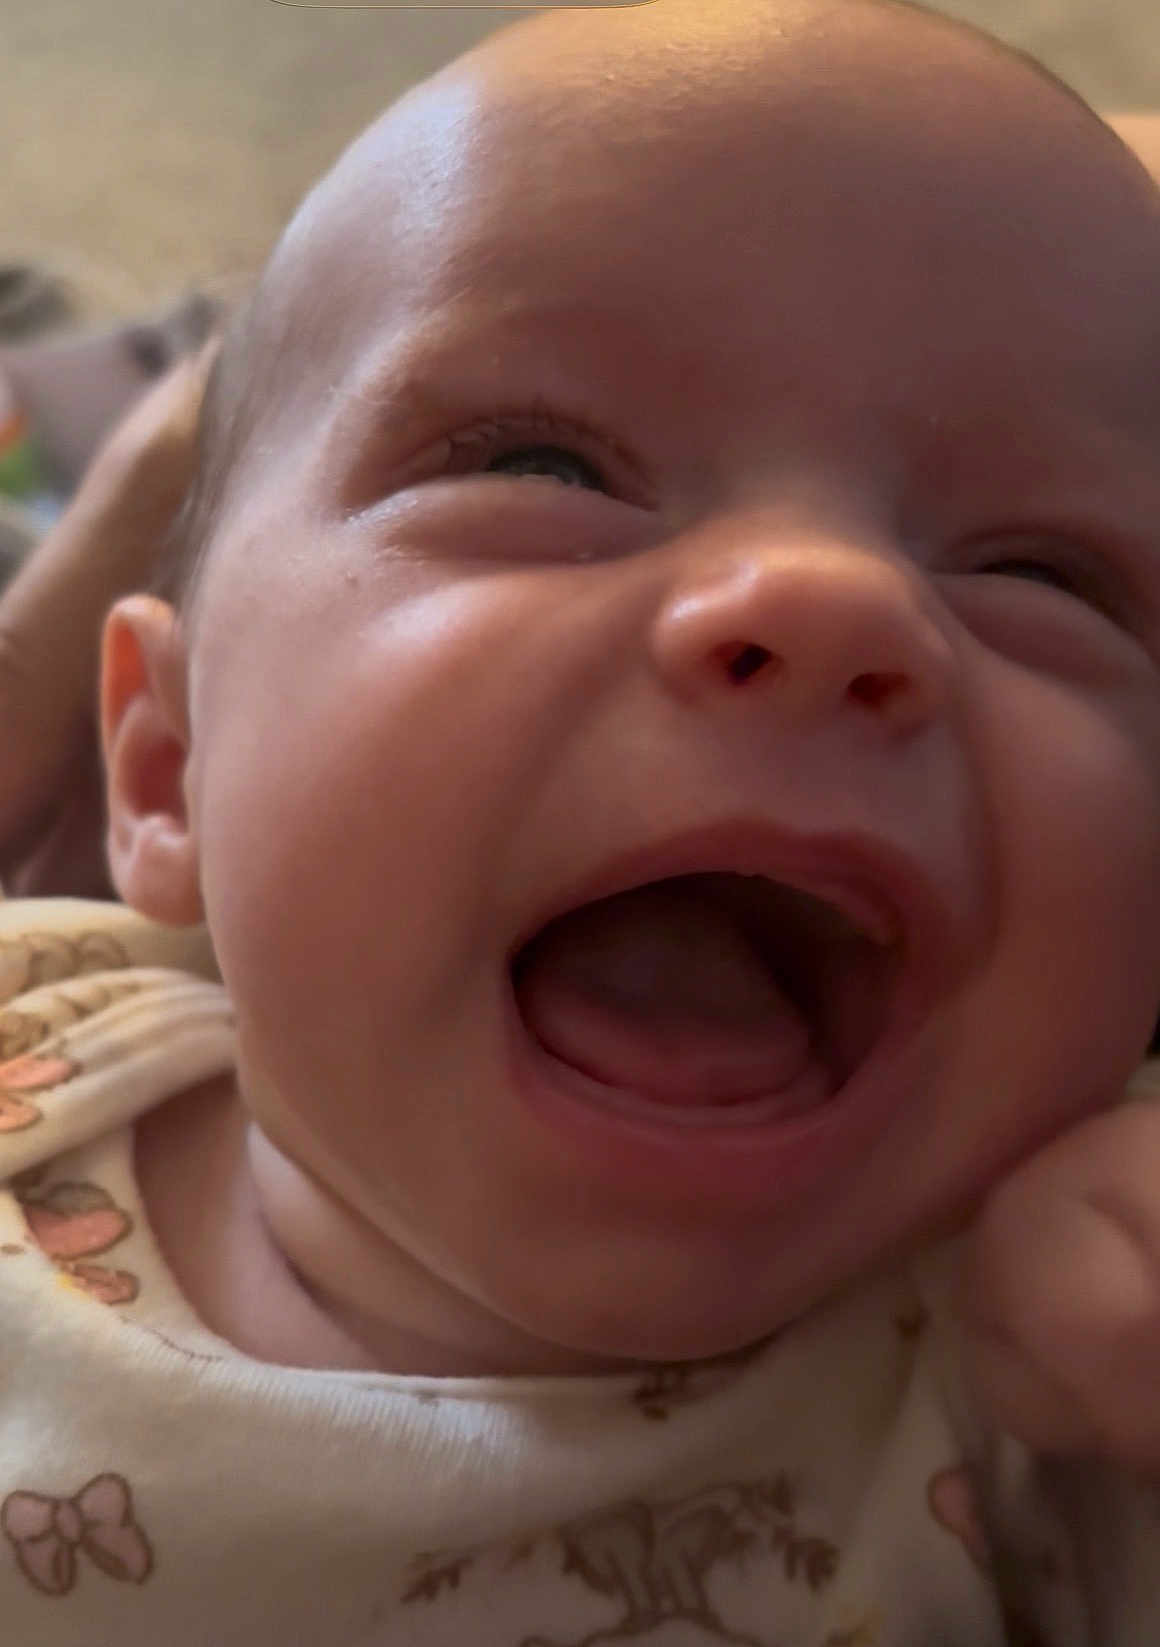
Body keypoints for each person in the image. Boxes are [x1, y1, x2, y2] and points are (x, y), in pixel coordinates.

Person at [1, 1, 1160, 1639]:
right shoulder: (39, 1024)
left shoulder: (1057, 1395)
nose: (828, 596)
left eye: (1045, 574)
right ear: (163, 767)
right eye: (545, 467)